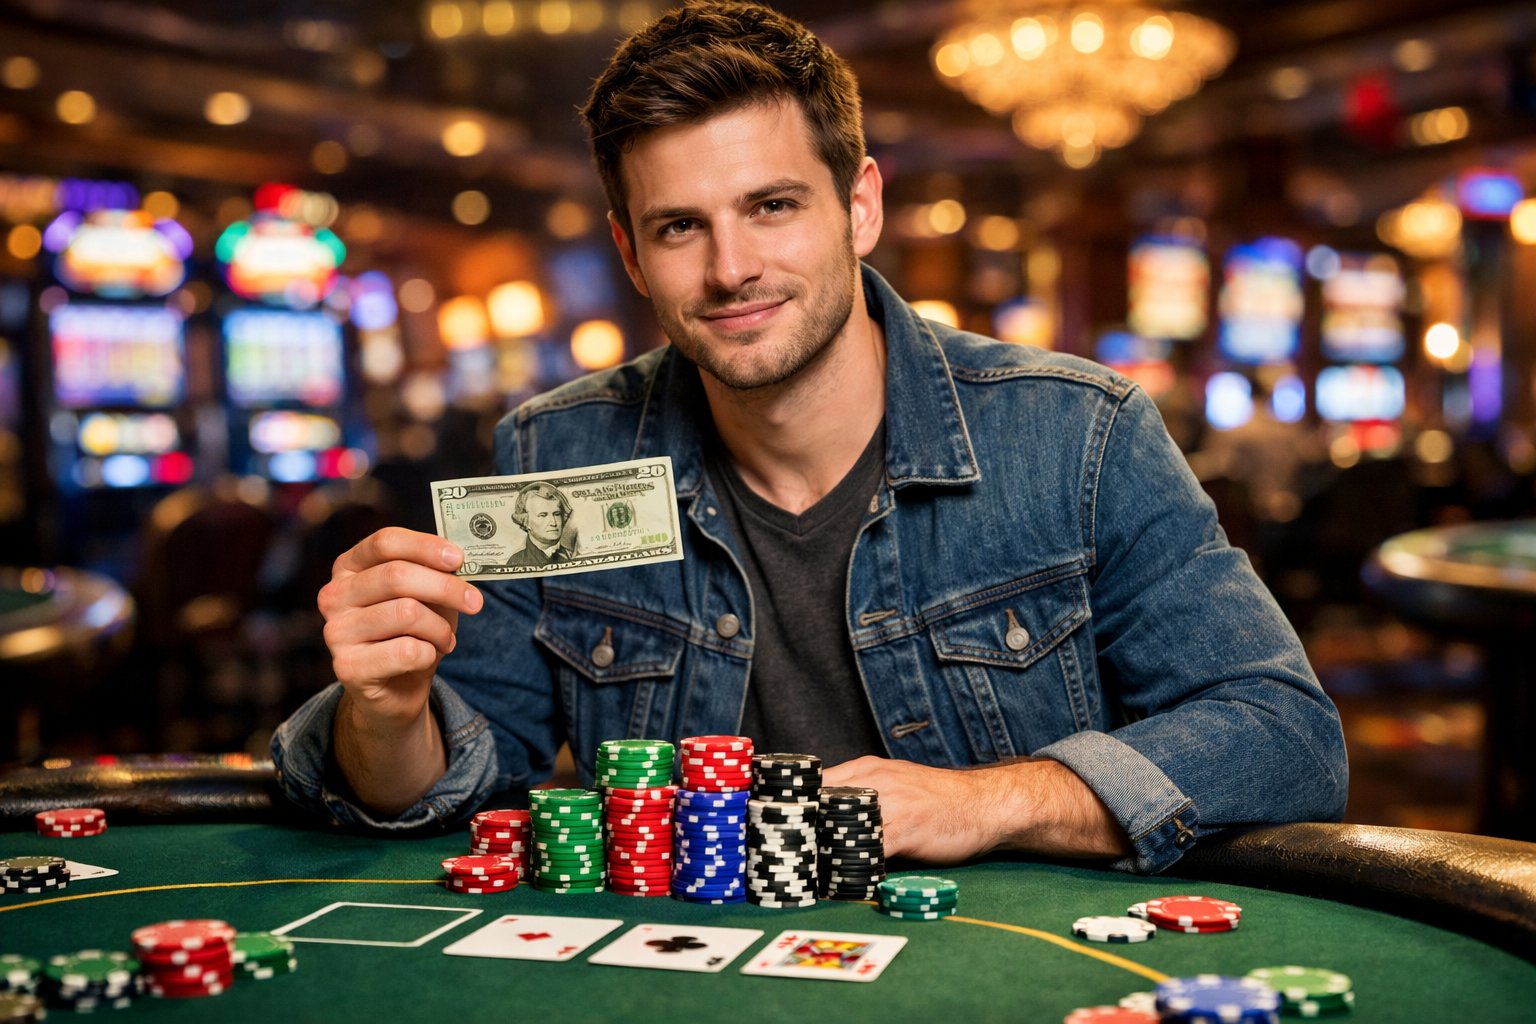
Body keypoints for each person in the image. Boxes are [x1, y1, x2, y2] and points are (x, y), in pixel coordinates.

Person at [272, 1, 1347, 874]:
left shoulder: (1079, 433)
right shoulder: (562, 453)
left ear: (859, 205)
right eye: (680, 226)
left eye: (773, 205)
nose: (731, 266)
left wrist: (989, 802)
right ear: (633, 255)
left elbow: (1286, 735)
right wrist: (385, 708)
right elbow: (465, 778)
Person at [505, 482, 575, 567]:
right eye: (543, 515)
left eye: (556, 514)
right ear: (526, 521)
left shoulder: (573, 555)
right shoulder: (516, 562)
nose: (553, 523)